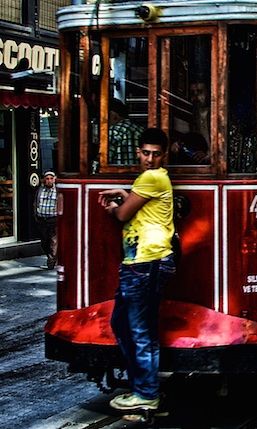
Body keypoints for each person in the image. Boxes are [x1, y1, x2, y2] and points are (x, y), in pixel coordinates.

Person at [98, 128, 175, 412]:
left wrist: (115, 206)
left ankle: (145, 393)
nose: (150, 159)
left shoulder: (151, 177)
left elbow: (123, 214)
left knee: (139, 331)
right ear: (138, 151)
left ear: (163, 155)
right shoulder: (154, 179)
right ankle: (144, 386)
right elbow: (139, 202)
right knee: (127, 325)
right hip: (146, 262)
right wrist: (123, 193)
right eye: (145, 153)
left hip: (145, 262)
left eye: (156, 154)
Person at [108, 98, 145, 165]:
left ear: (113, 115)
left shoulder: (114, 131)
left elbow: (106, 158)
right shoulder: (140, 129)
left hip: (116, 173)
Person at [34, 170, 58, 269]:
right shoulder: (40, 190)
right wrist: (36, 214)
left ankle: (51, 260)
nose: (49, 181)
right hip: (42, 219)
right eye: (47, 179)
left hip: (53, 219)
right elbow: (36, 202)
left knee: (53, 241)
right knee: (44, 241)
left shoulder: (58, 190)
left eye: (51, 179)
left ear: (54, 180)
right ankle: (50, 256)